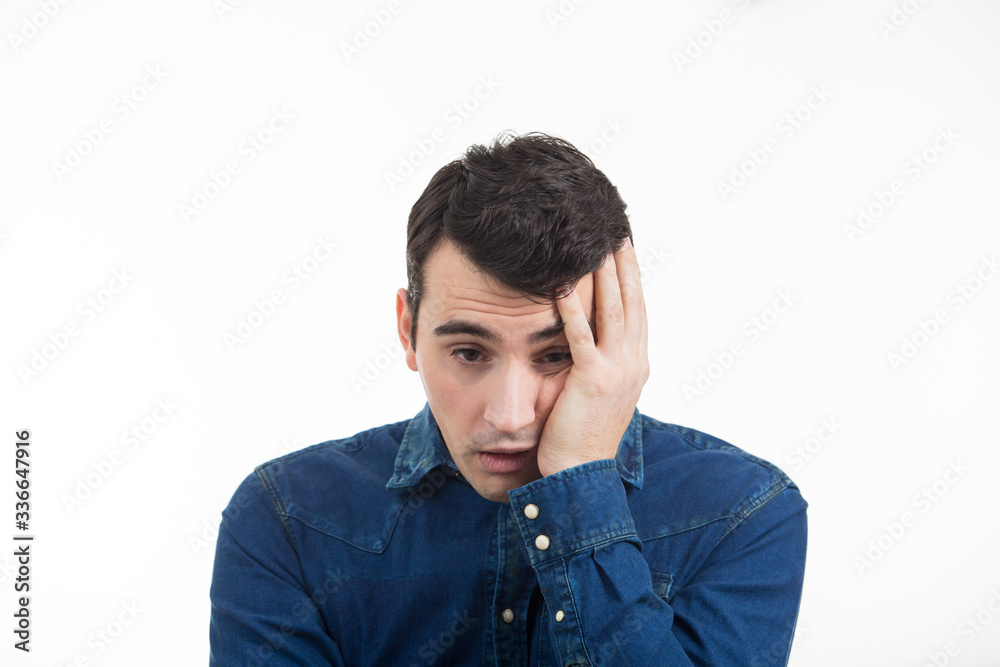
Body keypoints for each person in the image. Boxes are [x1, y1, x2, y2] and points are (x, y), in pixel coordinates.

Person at [208, 132, 808, 666]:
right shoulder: (289, 517)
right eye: (470, 353)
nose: (509, 416)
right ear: (406, 329)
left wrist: (582, 483)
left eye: (556, 355)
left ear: (617, 342)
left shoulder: (743, 514)